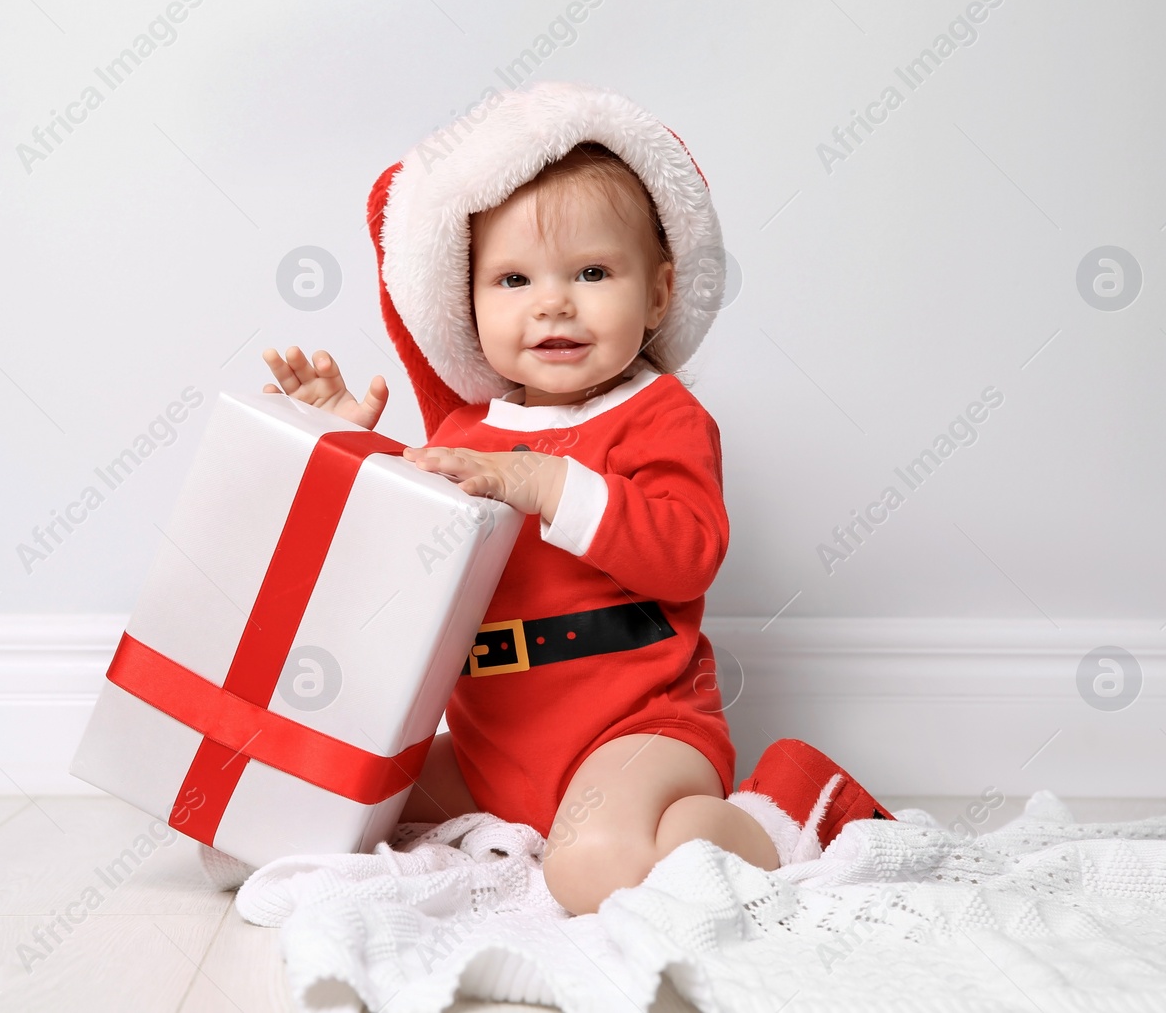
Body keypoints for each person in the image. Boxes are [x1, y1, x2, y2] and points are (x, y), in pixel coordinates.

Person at [252, 81, 892, 915]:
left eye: (592, 271)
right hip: (495, 752)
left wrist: (550, 483)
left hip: (641, 733)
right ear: (468, 304)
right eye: (513, 278)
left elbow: (689, 549)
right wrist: (350, 453)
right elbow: (387, 591)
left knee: (591, 870)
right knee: (303, 813)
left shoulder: (662, 415)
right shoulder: (468, 441)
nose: (553, 301)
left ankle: (782, 810)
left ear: (658, 293)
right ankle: (566, 829)